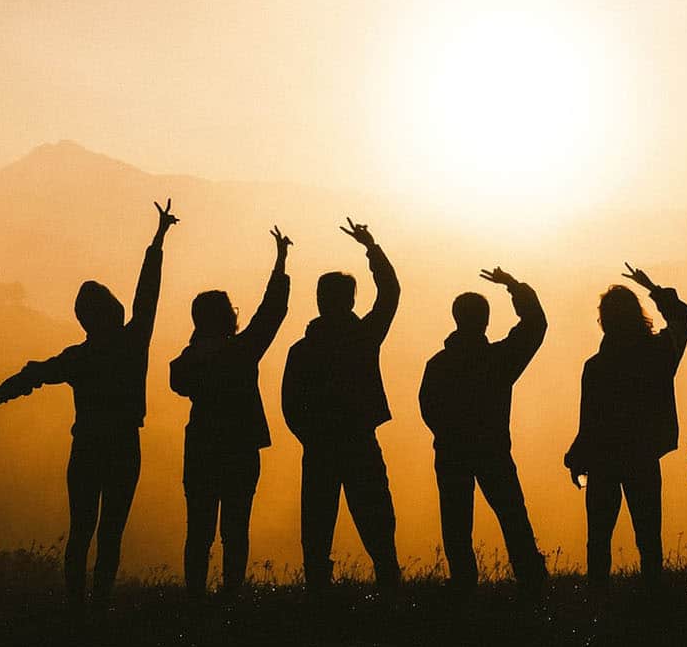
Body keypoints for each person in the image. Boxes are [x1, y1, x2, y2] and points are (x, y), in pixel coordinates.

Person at [0, 200, 178, 609]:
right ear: (112, 310)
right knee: (110, 533)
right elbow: (148, 294)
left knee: (81, 531)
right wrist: (157, 241)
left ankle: (76, 609)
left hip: (87, 447)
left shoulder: (77, 358)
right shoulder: (132, 342)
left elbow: (27, 377)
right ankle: (99, 606)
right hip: (123, 446)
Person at [170, 226, 292, 599]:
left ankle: (195, 598)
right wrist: (281, 263)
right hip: (240, 450)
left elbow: (178, 382)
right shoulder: (241, 351)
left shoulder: (188, 360)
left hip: (202, 449)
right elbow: (272, 313)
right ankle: (231, 597)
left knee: (199, 531)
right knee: (235, 529)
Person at [280, 218, 402, 591]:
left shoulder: (304, 349)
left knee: (317, 523)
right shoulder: (363, 337)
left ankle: (319, 591)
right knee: (376, 519)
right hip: (357, 441)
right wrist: (372, 247)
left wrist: (310, 435)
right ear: (349, 300)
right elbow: (390, 292)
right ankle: (388, 585)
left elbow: (290, 404)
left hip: (319, 446)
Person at [419, 267, 549, 596]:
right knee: (512, 514)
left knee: (456, 522)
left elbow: (428, 408)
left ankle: (463, 583)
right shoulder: (499, 359)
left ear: (456, 319)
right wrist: (513, 286)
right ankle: (531, 578)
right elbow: (536, 325)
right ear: (486, 321)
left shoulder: (439, 364)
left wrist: (449, 435)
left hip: (451, 452)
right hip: (493, 450)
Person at [565, 264, 687, 587]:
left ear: (604, 321)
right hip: (643, 455)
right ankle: (653, 595)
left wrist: (576, 458)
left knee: (599, 537)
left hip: (604, 460)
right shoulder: (660, 353)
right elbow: (683, 317)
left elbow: (589, 421)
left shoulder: (595, 367)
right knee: (648, 535)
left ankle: (597, 598)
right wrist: (653, 287)